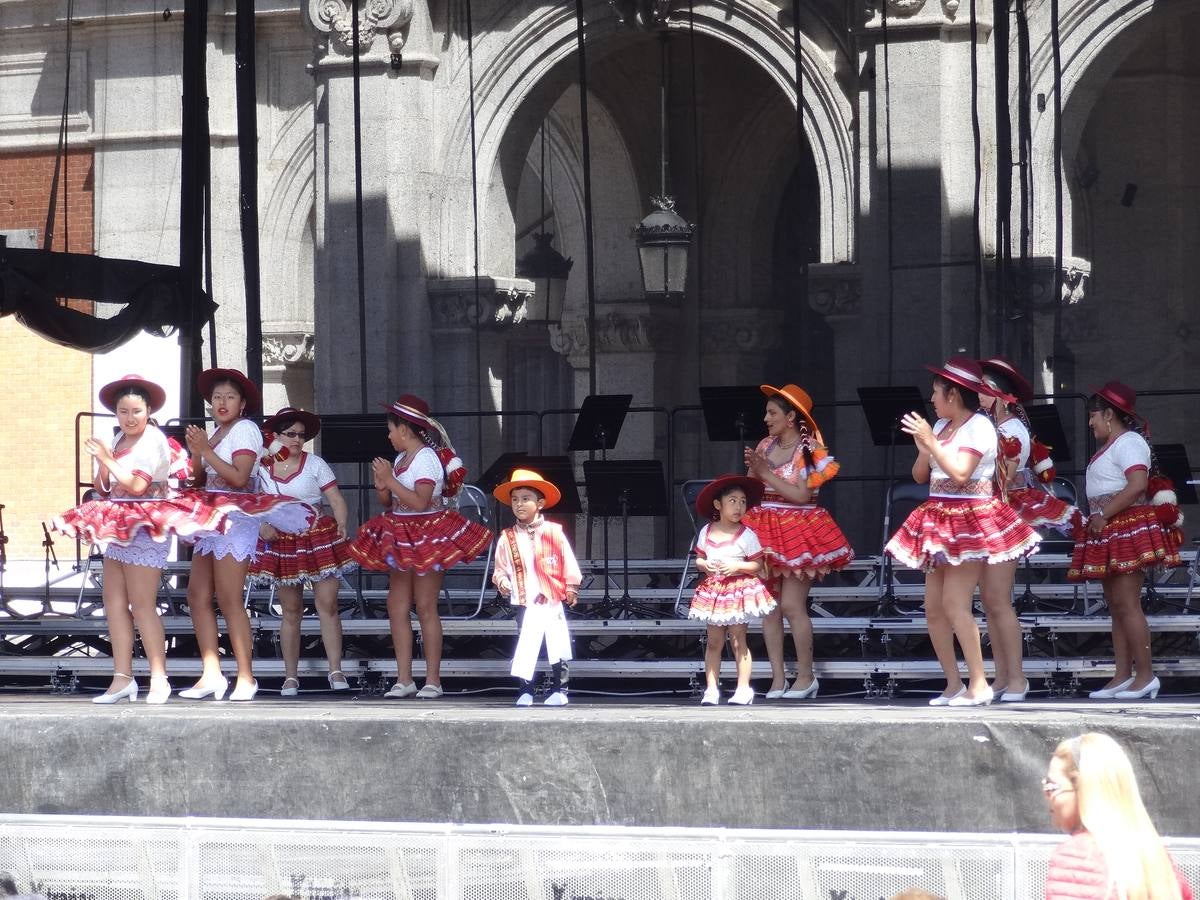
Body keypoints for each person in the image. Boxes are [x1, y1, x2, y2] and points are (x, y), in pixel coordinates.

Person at [53, 374, 218, 705]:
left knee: (142, 604)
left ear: (149, 411)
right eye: (123, 411)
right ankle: (122, 678)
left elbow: (138, 486)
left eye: (136, 411)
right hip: (120, 524)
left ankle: (159, 678)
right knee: (113, 603)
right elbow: (103, 487)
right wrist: (103, 462)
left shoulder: (153, 439)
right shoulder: (118, 440)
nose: (130, 418)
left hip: (146, 525)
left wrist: (107, 459)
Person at [885, 357, 1041, 706]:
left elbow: (961, 474)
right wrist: (924, 447)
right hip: (938, 517)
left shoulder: (980, 426)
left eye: (936, 392)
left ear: (953, 394)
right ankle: (953, 683)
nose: (932, 398)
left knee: (956, 603)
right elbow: (920, 476)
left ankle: (980, 683)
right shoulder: (941, 425)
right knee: (933, 608)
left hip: (969, 519)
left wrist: (932, 442)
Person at [180, 368, 313, 702]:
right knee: (197, 595)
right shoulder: (216, 433)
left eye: (230, 397)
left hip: (236, 520)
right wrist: (196, 452)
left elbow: (240, 478)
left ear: (242, 404)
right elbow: (199, 479)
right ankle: (211, 672)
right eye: (217, 397)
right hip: (211, 520)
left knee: (229, 598)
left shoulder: (245, 429)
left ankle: (245, 675)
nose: (222, 402)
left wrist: (206, 451)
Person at [348, 395, 492, 699]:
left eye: (391, 430)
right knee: (396, 606)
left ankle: (433, 680)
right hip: (401, 533)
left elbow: (420, 502)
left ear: (404, 430)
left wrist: (390, 480)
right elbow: (391, 503)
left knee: (425, 606)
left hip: (428, 533)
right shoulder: (401, 459)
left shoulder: (426, 457)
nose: (388, 436)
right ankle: (404, 678)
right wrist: (382, 485)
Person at [1067, 382, 1183, 701]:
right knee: (1117, 605)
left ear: (1109, 414)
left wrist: (1104, 514)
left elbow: (1137, 484)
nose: (1089, 423)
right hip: (1109, 526)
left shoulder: (1130, 441)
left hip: (1126, 524)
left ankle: (1145, 675)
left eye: (1093, 416)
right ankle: (1122, 675)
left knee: (1128, 603)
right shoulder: (1113, 444)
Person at [978, 357, 1080, 703]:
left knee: (998, 599)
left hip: (1007, 513)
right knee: (990, 601)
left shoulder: (1011, 431)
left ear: (1002, 395)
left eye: (984, 390)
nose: (978, 396)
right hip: (991, 512)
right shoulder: (993, 427)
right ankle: (1002, 676)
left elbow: (1004, 479)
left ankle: (1017, 678)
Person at [742, 383, 854, 700]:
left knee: (792, 605)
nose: (766, 418)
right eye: (767, 413)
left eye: (772, 413)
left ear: (791, 417)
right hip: (765, 530)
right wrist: (754, 471)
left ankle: (806, 677)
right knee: (770, 608)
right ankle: (778, 679)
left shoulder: (809, 448)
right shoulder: (765, 445)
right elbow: (752, 489)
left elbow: (803, 496)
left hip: (798, 530)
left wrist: (765, 473)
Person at [250, 407, 356, 695]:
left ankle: (336, 670)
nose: (297, 440)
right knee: (291, 610)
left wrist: (342, 523)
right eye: (291, 434)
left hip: (317, 536)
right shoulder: (260, 467)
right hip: (282, 541)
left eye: (301, 435)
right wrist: (262, 525)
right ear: (276, 436)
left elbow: (335, 498)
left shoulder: (315, 464)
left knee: (328, 604)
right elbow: (251, 504)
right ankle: (290, 676)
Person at [1043, 732, 1194, 900]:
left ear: (1082, 788)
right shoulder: (1156, 857)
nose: (1046, 795)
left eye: (1051, 786)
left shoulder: (1076, 856)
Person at [491, 468, 582, 707]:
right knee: (526, 644)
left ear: (540, 503)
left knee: (557, 641)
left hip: (550, 597)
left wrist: (571, 586)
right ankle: (525, 690)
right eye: (515, 499)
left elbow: (567, 559)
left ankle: (560, 689)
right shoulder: (507, 537)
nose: (519, 504)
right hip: (525, 599)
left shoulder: (554, 532)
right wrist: (502, 581)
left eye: (525, 499)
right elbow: (500, 568)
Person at [687, 474, 775, 706]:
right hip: (715, 592)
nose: (738, 507)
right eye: (732, 501)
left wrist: (737, 566)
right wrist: (704, 565)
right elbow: (699, 559)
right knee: (714, 641)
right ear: (718, 504)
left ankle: (743, 688)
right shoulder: (707, 531)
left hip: (737, 591)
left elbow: (757, 565)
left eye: (743, 501)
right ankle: (711, 688)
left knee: (738, 640)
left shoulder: (747, 534)